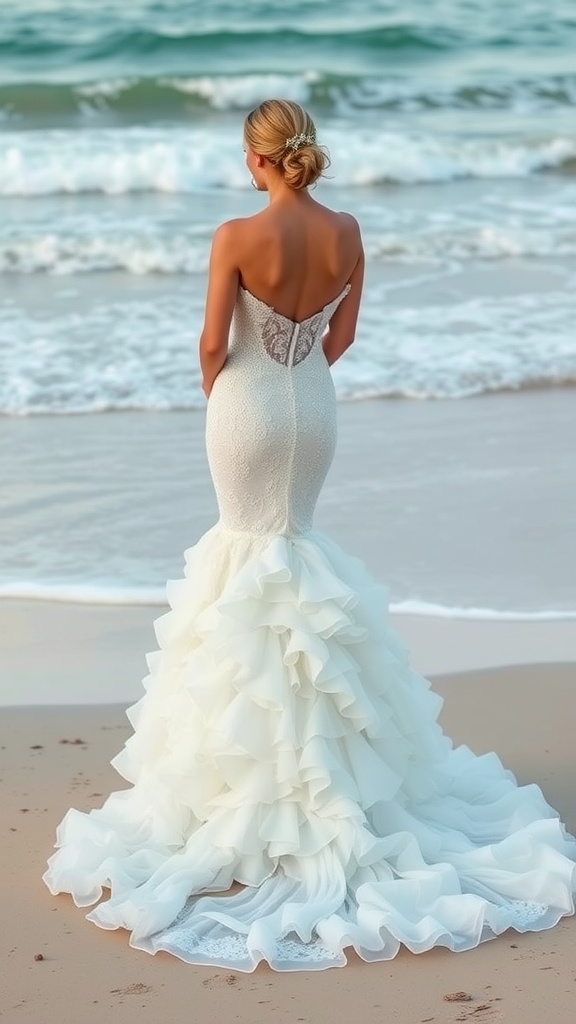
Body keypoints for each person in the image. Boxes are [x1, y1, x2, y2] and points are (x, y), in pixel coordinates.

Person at [43, 100, 575, 972]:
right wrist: (297, 378)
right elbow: (345, 335)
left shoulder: (233, 235)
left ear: (257, 160)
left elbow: (212, 345)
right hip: (314, 409)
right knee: (292, 553)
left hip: (246, 407)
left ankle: (249, 780)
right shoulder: (349, 231)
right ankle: (327, 767)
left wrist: (230, 393)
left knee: (241, 559)